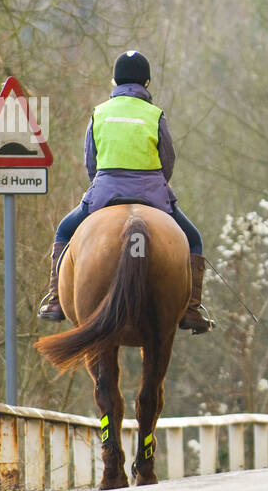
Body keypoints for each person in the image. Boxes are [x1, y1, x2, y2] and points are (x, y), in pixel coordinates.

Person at [37, 50, 213, 334]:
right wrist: (156, 183)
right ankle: (192, 309)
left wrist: (102, 183)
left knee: (63, 231)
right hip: (153, 194)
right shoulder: (155, 115)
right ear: (146, 82)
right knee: (193, 239)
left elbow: (90, 161)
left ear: (114, 81)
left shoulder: (100, 113)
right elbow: (168, 160)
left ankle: (55, 300)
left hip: (105, 192)